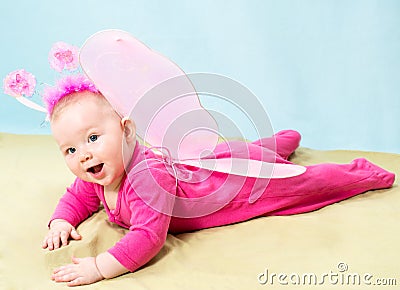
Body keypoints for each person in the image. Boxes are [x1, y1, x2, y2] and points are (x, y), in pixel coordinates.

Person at [41, 74, 395, 287]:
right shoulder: (99, 172)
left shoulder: (146, 178)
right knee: (235, 154)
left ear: (127, 130)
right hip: (200, 168)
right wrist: (61, 219)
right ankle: (276, 144)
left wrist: (100, 267)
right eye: (69, 150)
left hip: (228, 191)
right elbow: (79, 197)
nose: (83, 155)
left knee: (294, 183)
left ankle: (358, 173)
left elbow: (148, 237)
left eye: (92, 138)